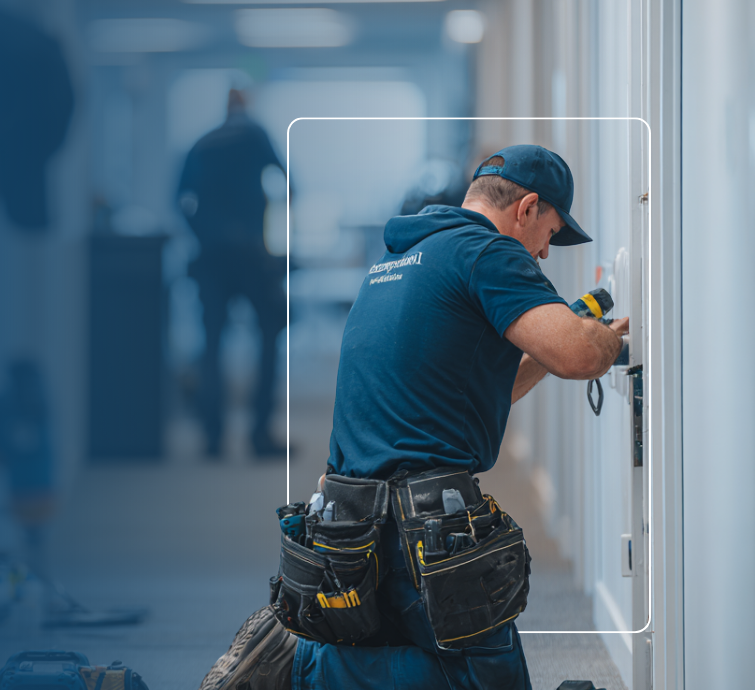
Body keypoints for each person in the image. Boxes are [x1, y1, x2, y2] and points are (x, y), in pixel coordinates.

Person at [201, 145, 629, 690]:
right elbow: (580, 356)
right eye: (550, 232)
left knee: (420, 660)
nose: (545, 253)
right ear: (525, 209)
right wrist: (596, 334)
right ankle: (304, 666)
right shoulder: (488, 253)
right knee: (486, 681)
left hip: (346, 521)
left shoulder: (400, 261)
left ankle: (310, 663)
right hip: (423, 525)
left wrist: (551, 342)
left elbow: (477, 388)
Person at [176, 89, 288, 458]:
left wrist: (203, 235)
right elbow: (289, 182)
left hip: (211, 258)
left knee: (211, 344)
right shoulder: (255, 134)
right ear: (244, 107)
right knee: (270, 335)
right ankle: (259, 434)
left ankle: (212, 438)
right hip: (252, 256)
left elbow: (179, 198)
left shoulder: (202, 144)